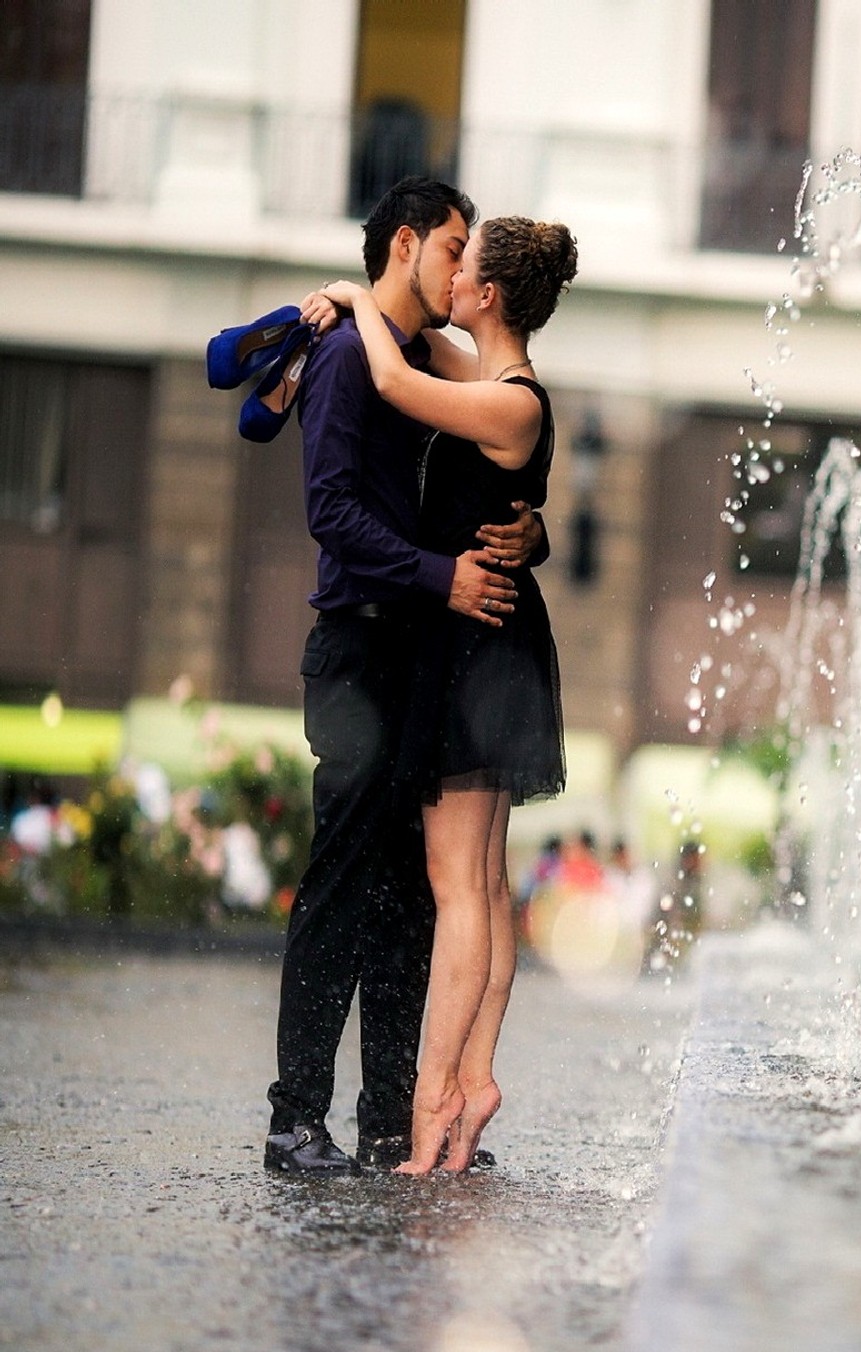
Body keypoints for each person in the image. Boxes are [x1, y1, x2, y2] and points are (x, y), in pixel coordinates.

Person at [264, 178, 548, 1176]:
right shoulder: (347, 356)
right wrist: (447, 573)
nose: (461, 266)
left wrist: (531, 531)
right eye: (452, 246)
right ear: (405, 245)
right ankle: (296, 1118)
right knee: (340, 886)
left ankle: (391, 1120)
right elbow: (330, 517)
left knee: (411, 901)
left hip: (420, 653)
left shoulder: (424, 360)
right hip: (356, 652)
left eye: (472, 254)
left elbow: (496, 464)